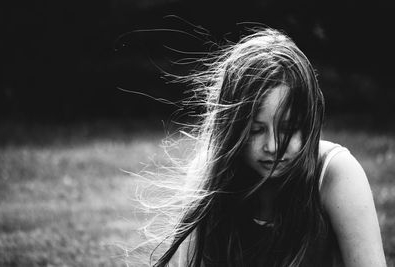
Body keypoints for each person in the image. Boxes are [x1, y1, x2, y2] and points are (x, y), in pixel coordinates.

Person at [135, 27, 387, 267]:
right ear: (231, 128)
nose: (272, 146)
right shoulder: (211, 172)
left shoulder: (336, 173)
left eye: (288, 129)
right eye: (255, 130)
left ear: (309, 122)